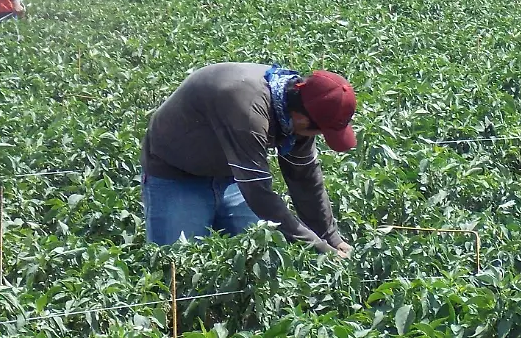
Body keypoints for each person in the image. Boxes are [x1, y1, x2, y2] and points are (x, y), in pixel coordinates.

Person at [140, 63, 358, 258]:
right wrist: (320, 249)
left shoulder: (298, 115)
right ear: (301, 116)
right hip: (176, 175)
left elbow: (305, 178)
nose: (316, 136)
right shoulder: (248, 109)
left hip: (232, 174)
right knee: (178, 268)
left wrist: (331, 239)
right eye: (320, 131)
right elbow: (259, 195)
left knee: (254, 264)